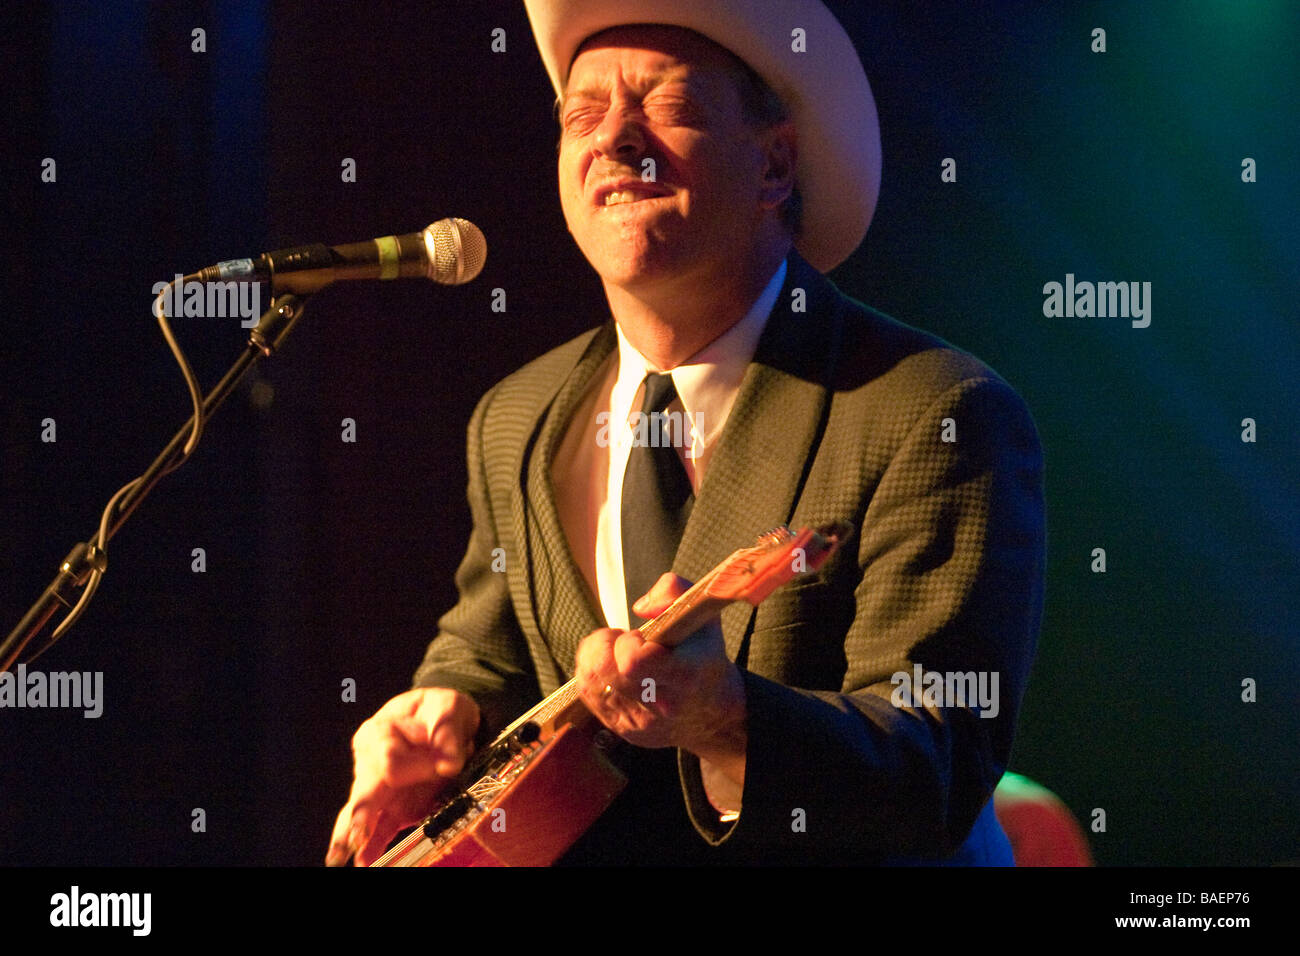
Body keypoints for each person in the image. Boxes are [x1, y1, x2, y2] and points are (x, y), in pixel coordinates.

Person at [327, 0, 1045, 867]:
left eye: (667, 107)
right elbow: (489, 649)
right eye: (583, 115)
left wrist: (723, 718)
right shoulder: (517, 415)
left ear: (776, 162)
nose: (615, 140)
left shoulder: (931, 410)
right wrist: (442, 708)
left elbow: (938, 764)